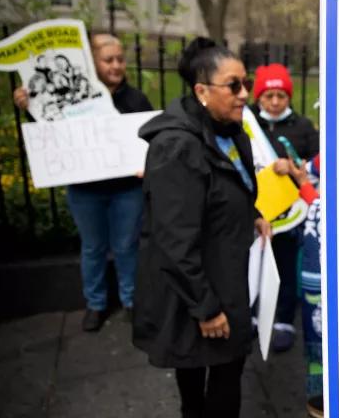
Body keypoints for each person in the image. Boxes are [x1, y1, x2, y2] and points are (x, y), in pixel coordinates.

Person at [132, 37, 271, 418]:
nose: (245, 94)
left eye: (247, 83)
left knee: (223, 372)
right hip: (198, 292)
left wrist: (252, 213)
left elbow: (228, 187)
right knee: (203, 377)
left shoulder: (229, 129)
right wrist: (207, 309)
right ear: (202, 91)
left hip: (225, 277)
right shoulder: (177, 147)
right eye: (234, 85)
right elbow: (174, 240)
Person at [13, 33, 153, 332]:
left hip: (127, 189)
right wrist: (30, 107)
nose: (116, 65)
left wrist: (147, 162)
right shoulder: (69, 96)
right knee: (93, 248)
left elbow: (152, 138)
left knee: (127, 246)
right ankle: (96, 304)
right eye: (108, 60)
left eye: (120, 59)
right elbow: (51, 134)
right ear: (93, 63)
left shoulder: (136, 99)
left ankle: (132, 301)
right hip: (85, 190)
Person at [250, 63, 319, 352]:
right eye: (269, 96)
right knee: (254, 263)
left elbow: (314, 165)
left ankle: (284, 320)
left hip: (290, 214)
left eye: (281, 95)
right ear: (259, 98)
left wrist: (291, 168)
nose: (275, 102)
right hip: (255, 210)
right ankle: (254, 315)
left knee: (287, 266)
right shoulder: (249, 124)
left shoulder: (302, 127)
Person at [287, 156, 323, 418]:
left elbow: (326, 213)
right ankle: (322, 396)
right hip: (317, 273)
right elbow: (310, 168)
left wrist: (303, 184)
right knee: (317, 336)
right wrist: (296, 171)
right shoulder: (333, 147)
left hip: (330, 271)